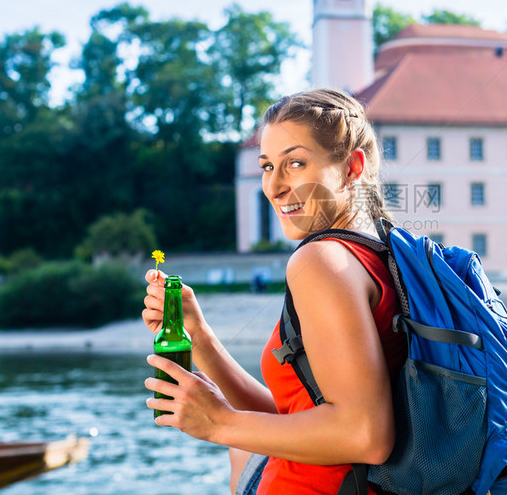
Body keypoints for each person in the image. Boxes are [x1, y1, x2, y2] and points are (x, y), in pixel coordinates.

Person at [142, 88, 405, 494]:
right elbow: (293, 419)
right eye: (267, 166)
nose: (274, 187)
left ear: (352, 168)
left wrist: (218, 422)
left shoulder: (320, 261)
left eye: (295, 163)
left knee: (238, 453)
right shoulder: (383, 250)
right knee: (242, 452)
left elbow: (365, 434)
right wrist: (201, 340)